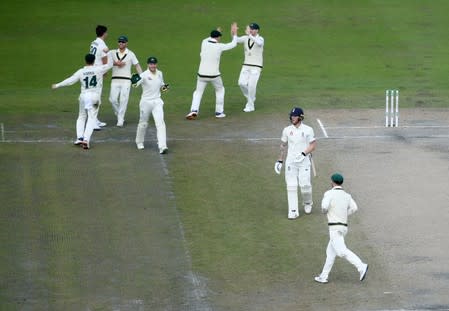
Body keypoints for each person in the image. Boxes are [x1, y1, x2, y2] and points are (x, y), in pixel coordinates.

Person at [314, 173, 369, 284]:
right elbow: (354, 208)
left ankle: (361, 266)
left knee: (341, 251)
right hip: (343, 227)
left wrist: (326, 212)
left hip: (334, 228)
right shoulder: (347, 195)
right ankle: (323, 276)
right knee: (330, 253)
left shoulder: (329, 193)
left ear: (332, 182)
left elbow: (324, 207)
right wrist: (343, 215)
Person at [52, 54, 113, 149]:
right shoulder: (98, 69)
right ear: (94, 61)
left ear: (85, 61)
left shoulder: (81, 71)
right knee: (92, 118)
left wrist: (57, 85)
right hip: (94, 97)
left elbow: (70, 80)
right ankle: (86, 140)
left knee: (81, 116)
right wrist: (108, 54)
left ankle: (79, 137)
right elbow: (110, 65)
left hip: (83, 96)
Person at [185, 22, 238, 120]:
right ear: (218, 38)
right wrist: (234, 34)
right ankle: (219, 112)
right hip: (214, 76)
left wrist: (217, 31)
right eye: (219, 37)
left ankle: (193, 110)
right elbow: (233, 44)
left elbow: (209, 37)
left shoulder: (204, 42)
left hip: (201, 75)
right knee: (220, 90)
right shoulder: (219, 46)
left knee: (198, 92)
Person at [274, 107, 316, 219]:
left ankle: (308, 203)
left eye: (295, 116)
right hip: (291, 162)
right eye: (291, 116)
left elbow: (313, 145)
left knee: (305, 185)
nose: (292, 118)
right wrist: (280, 159)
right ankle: (293, 211)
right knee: (291, 185)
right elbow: (283, 145)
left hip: (304, 161)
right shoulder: (287, 130)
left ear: (300, 117)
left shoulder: (308, 129)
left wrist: (303, 154)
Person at [133, 56, 169, 154]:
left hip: (157, 102)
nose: (153, 65)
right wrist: (134, 80)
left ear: (156, 64)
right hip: (146, 102)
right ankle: (139, 142)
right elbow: (135, 85)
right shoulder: (144, 75)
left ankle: (162, 146)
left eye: (154, 64)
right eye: (151, 64)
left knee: (160, 123)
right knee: (143, 123)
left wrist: (165, 88)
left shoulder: (160, 73)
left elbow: (162, 85)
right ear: (148, 64)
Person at [108, 35, 142, 127]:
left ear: (126, 43)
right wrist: (115, 63)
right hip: (115, 79)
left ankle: (120, 119)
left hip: (126, 80)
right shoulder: (112, 53)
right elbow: (105, 61)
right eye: (119, 41)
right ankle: (119, 113)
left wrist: (142, 76)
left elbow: (137, 65)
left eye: (123, 42)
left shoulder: (131, 54)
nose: (121, 43)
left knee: (123, 100)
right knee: (112, 99)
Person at [236, 22, 264, 112]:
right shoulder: (245, 38)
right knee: (241, 83)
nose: (251, 30)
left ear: (257, 30)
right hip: (246, 65)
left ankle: (251, 106)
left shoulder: (260, 38)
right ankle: (251, 97)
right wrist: (234, 33)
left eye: (252, 29)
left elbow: (259, 43)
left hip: (256, 66)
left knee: (252, 86)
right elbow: (236, 40)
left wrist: (250, 35)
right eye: (250, 29)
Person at [89, 25, 109, 130]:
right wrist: (105, 71)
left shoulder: (93, 42)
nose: (107, 34)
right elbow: (105, 58)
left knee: (95, 96)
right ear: (104, 33)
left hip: (92, 70)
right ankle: (92, 122)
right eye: (107, 32)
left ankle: (94, 119)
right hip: (97, 72)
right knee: (96, 97)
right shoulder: (102, 44)